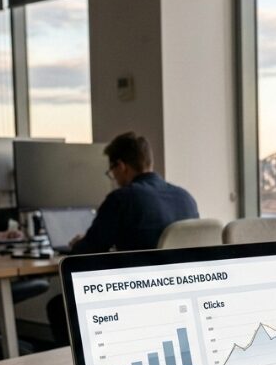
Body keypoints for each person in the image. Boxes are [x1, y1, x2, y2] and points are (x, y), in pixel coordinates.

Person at [46, 132, 199, 347]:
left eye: (112, 172)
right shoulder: (186, 198)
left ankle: (85, 364)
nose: (114, 179)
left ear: (121, 166)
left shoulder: (122, 198)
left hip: (135, 297)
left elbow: (86, 253)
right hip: (181, 296)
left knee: (58, 307)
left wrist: (78, 244)